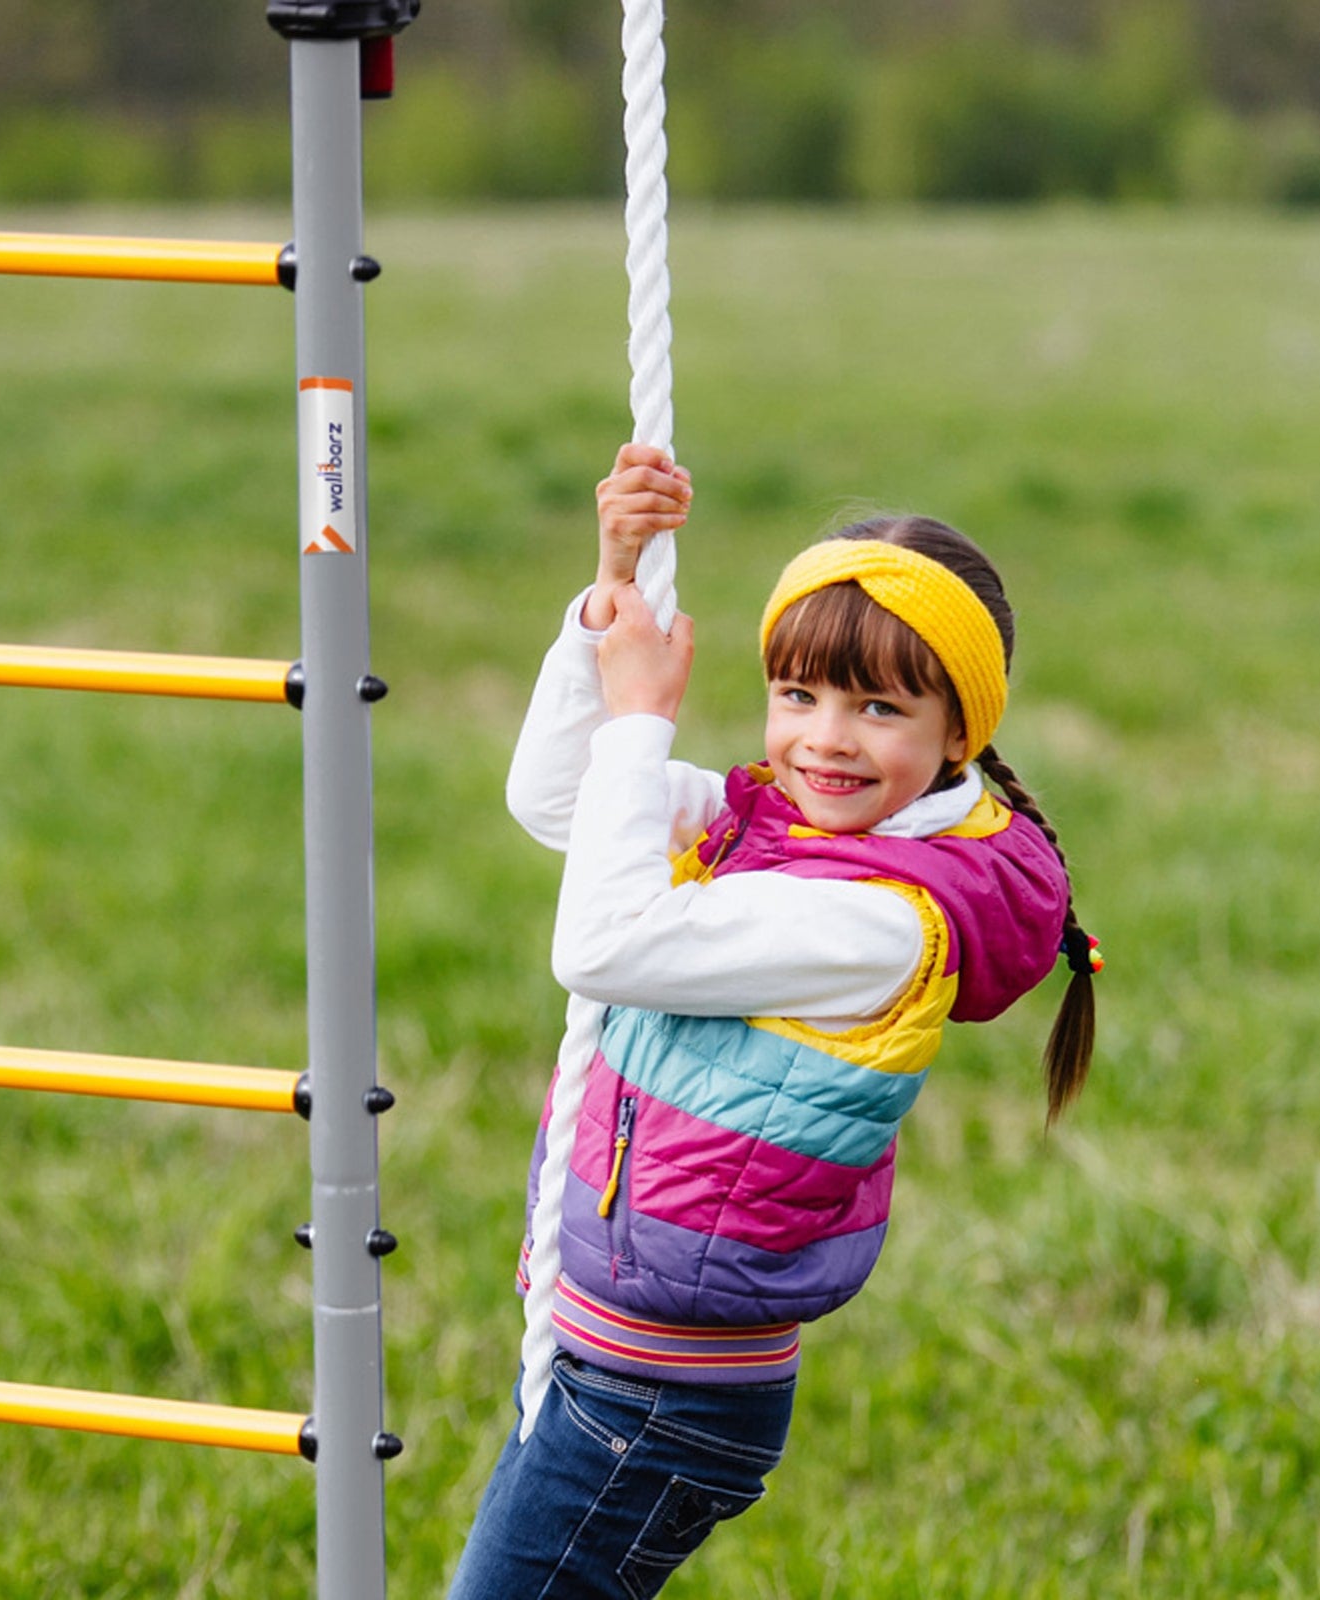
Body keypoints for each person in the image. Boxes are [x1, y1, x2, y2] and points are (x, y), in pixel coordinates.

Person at [447, 443, 1099, 1600]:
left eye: (876, 708)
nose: (823, 740)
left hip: (661, 1399)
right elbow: (555, 801)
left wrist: (642, 723)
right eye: (797, 694)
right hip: (602, 1348)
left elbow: (603, 944)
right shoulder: (777, 828)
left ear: (958, 730)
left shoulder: (885, 921)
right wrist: (613, 594)